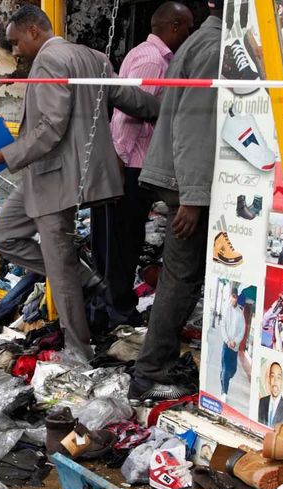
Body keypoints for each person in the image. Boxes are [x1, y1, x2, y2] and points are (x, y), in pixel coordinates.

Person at [0, 5, 159, 361]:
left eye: (15, 42)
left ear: (34, 32)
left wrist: (3, 156)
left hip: (56, 177)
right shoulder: (93, 58)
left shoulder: (49, 61)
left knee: (59, 270)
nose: (15, 51)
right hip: (54, 175)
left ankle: (79, 351)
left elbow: (51, 126)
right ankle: (85, 278)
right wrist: (167, 108)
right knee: (4, 235)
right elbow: (130, 100)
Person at [127, 0, 223, 403]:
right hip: (186, 184)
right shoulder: (215, 48)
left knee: (179, 276)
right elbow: (196, 123)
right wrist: (194, 198)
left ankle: (154, 367)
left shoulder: (202, 41)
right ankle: (150, 373)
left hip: (180, 179)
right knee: (180, 278)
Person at [101, 2, 193, 322]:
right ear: (175, 27)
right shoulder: (153, 61)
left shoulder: (146, 54)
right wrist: (120, 160)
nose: (190, 35)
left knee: (125, 240)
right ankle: (120, 311)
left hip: (130, 163)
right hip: (130, 165)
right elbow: (128, 113)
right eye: (188, 29)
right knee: (124, 243)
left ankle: (116, 307)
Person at [219, 286, 245, 403]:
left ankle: (224, 378)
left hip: (234, 347)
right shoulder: (226, 309)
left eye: (235, 297)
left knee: (232, 370)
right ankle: (224, 392)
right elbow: (223, 326)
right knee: (225, 368)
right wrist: (227, 340)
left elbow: (242, 331)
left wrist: (235, 341)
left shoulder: (240, 313)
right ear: (230, 297)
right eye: (232, 296)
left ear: (237, 298)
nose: (233, 299)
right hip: (226, 345)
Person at [258, 362, 283, 428]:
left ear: (282, 382)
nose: (275, 381)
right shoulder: (261, 402)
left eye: (278, 377)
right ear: (269, 380)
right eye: (272, 376)